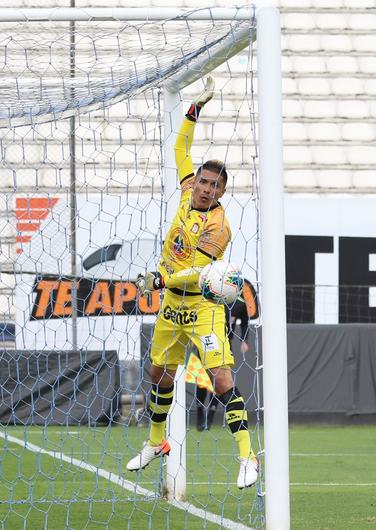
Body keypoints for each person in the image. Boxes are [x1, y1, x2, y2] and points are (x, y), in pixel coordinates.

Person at [126, 77, 258, 489]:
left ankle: (248, 457)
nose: (205, 188)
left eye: (214, 185)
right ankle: (157, 442)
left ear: (222, 192)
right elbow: (180, 148)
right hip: (171, 306)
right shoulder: (186, 193)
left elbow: (197, 272)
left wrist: (161, 277)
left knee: (220, 379)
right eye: (202, 181)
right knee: (159, 374)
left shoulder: (220, 226)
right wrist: (194, 109)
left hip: (201, 307)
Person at [196, 297, 250, 431]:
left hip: (225, 343)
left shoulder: (240, 303)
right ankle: (200, 413)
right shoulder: (210, 297)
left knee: (219, 381)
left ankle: (210, 416)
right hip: (206, 340)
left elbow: (245, 322)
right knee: (202, 380)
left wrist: (244, 339)